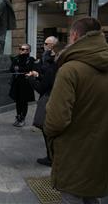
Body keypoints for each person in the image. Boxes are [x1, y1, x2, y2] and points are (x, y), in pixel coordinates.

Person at [44, 17, 108, 203]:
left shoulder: (70, 69)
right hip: (101, 149)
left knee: (72, 197)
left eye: (70, 35)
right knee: (91, 197)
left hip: (73, 152)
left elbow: (56, 120)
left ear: (75, 36)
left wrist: (51, 137)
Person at [26, 37, 64, 167]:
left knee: (47, 129)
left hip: (51, 100)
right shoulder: (55, 64)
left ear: (54, 48)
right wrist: (38, 76)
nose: (44, 47)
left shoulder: (54, 66)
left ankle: (51, 157)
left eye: (47, 45)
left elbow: (43, 87)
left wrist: (31, 79)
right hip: (56, 98)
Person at [9, 44, 36, 127]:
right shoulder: (16, 58)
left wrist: (18, 68)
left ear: (28, 51)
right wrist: (19, 68)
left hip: (26, 84)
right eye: (21, 49)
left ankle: (22, 118)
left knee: (24, 102)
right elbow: (11, 68)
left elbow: (28, 68)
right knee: (17, 101)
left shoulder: (30, 59)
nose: (22, 50)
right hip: (17, 83)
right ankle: (18, 117)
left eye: (25, 49)